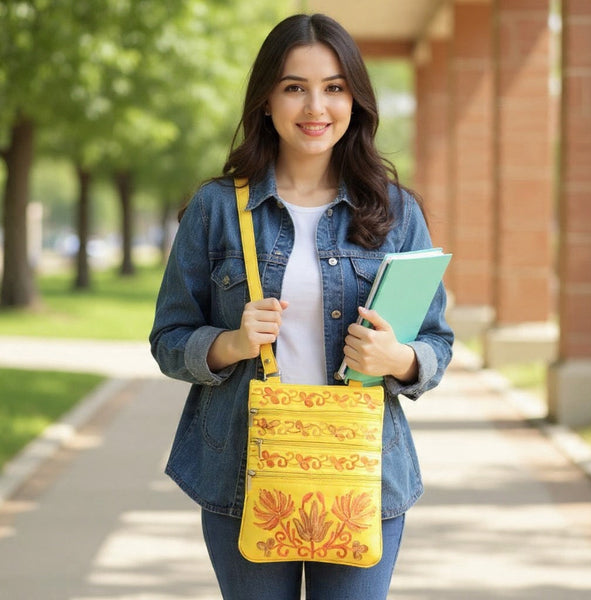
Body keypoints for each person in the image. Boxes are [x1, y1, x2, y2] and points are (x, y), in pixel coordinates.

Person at [150, 13, 453, 600]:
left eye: (334, 87)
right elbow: (169, 338)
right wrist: (230, 344)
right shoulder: (216, 208)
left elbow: (436, 341)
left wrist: (399, 358)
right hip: (244, 467)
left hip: (365, 472)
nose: (316, 106)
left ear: (355, 100)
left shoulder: (395, 212)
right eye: (295, 87)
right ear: (266, 100)